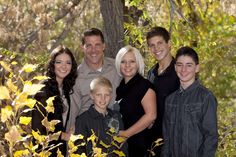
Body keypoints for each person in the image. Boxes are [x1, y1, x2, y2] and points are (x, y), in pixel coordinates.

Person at [161, 46, 218, 157]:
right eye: (180, 65)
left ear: (197, 68)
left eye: (189, 65)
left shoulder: (206, 97)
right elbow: (166, 138)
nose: (183, 70)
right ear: (175, 67)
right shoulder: (170, 100)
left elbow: (211, 137)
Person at [31, 45, 78, 156]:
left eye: (68, 63)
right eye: (59, 62)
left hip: (59, 151)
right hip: (44, 151)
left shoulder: (65, 89)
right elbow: (39, 128)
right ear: (52, 64)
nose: (64, 66)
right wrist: (66, 136)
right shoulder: (43, 89)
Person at [70, 28, 121, 124]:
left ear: (103, 46)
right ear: (82, 48)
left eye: (97, 45)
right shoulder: (76, 77)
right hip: (88, 131)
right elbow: (73, 111)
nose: (93, 50)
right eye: (89, 45)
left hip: (116, 128)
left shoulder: (117, 67)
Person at [115, 45, 157, 157]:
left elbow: (151, 115)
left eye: (132, 61)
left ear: (138, 64)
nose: (127, 65)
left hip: (140, 146)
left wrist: (126, 134)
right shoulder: (120, 88)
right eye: (123, 62)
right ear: (119, 64)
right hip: (123, 147)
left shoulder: (145, 86)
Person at [146, 26, 180, 156]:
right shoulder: (151, 73)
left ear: (169, 44)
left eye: (160, 43)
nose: (156, 48)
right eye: (152, 45)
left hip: (173, 142)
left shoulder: (180, 71)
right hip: (153, 142)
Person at [74, 76, 128, 156]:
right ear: (92, 95)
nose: (103, 99)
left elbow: (122, 143)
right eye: (98, 95)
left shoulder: (116, 116)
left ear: (111, 96)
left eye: (107, 95)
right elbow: (79, 149)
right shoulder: (82, 120)